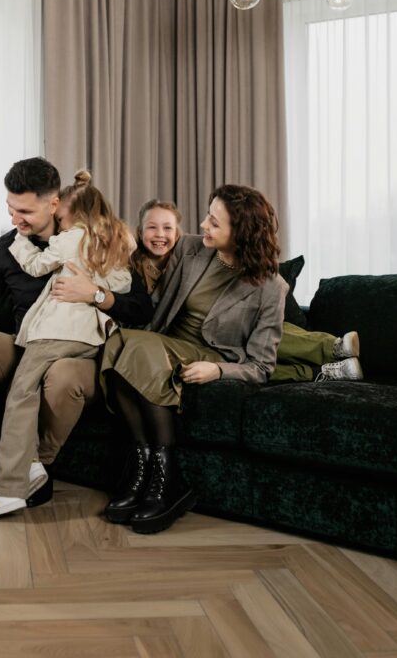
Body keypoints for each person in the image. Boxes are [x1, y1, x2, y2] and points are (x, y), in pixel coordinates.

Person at [0, 157, 153, 523]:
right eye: (10, 209)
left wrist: (94, 294)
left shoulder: (102, 241)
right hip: (30, 343)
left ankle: (33, 468)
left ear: (55, 204)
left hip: (84, 358)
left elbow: (140, 309)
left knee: (59, 374)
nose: (15, 220)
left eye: (24, 211)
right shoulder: (8, 245)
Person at [99, 184, 288, 536]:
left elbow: (262, 367)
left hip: (209, 353)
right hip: (164, 341)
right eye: (207, 216)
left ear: (241, 232)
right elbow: (139, 248)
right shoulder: (189, 249)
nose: (202, 225)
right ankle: (145, 462)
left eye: (214, 222)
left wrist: (218, 369)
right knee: (117, 342)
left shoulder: (270, 287)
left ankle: (166, 474)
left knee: (138, 347)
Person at [0, 170, 134, 518]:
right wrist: (94, 286)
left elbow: (35, 265)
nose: (58, 223)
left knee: (20, 394)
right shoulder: (117, 242)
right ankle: (31, 466)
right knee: (28, 391)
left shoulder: (71, 238)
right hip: (89, 338)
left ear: (72, 214)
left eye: (60, 217)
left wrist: (17, 240)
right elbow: (123, 284)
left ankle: (7, 488)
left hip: (55, 332)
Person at [133, 199, 364, 384]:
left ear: (178, 232)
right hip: (190, 339)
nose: (160, 235)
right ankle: (320, 369)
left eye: (167, 228)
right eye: (151, 228)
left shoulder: (187, 252)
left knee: (255, 334)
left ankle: (331, 347)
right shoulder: (134, 264)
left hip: (229, 326)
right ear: (139, 231)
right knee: (243, 350)